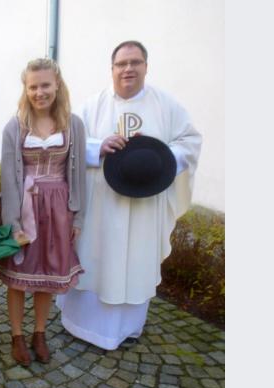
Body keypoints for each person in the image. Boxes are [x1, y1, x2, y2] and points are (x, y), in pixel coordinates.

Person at [56, 40, 202, 350]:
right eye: (122, 64)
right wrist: (98, 148)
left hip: (144, 207)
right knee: (96, 258)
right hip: (101, 207)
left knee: (135, 261)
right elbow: (69, 142)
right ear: (112, 69)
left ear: (146, 67)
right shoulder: (92, 105)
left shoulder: (167, 105)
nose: (128, 69)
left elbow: (190, 141)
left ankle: (127, 327)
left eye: (135, 62)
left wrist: (156, 159)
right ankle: (82, 324)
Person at [0, 58, 86, 366]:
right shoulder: (15, 126)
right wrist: (13, 223)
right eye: (33, 86)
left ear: (57, 84)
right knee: (19, 277)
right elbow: (9, 178)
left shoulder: (74, 125)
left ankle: (40, 333)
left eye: (45, 85)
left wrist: (78, 216)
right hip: (24, 207)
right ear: (26, 89)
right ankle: (17, 335)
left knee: (47, 275)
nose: (39, 92)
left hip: (59, 210)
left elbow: (79, 175)